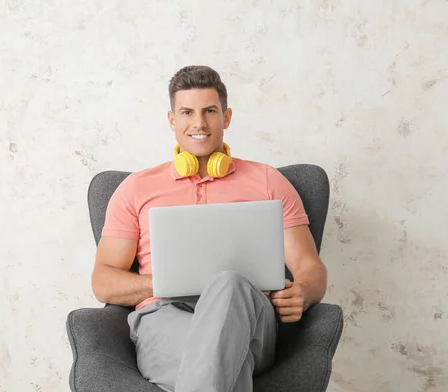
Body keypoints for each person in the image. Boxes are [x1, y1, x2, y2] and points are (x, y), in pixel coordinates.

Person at [91, 65, 328, 392]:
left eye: (209, 111)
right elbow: (103, 281)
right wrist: (169, 281)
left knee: (230, 283)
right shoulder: (135, 189)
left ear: (226, 117)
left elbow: (309, 266)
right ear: (172, 120)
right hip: (165, 318)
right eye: (187, 112)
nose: (199, 123)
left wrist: (302, 291)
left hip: (249, 319)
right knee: (223, 364)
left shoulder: (270, 182)